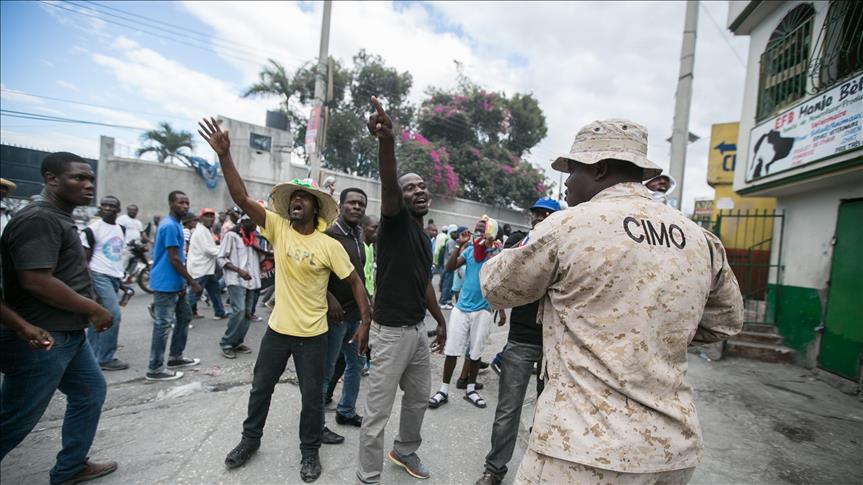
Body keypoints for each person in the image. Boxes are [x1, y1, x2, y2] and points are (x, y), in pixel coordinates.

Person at [479, 119, 744, 484]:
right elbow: (726, 321)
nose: (568, 183)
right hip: (670, 453)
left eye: (572, 171)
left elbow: (496, 287)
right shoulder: (700, 239)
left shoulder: (567, 226)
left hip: (580, 451)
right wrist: (655, 330)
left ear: (600, 168)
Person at [199, 116, 371, 483]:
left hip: (313, 335)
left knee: (312, 398)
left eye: (301, 199)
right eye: (292, 199)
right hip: (277, 331)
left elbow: (355, 282)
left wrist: (366, 324)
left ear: (314, 207)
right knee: (261, 388)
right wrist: (225, 157)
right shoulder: (278, 229)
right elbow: (241, 197)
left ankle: (309, 452)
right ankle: (250, 440)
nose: (295, 203)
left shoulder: (328, 244)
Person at [0, 152, 117, 484]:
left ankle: (70, 467)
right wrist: (93, 308)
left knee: (90, 392)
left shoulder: (58, 217)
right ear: (51, 178)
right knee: (15, 419)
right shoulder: (39, 218)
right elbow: (35, 279)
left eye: (90, 178)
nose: (88, 185)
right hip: (41, 337)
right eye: (78, 178)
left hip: (68, 334)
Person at [351, 97, 447, 484]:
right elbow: (389, 185)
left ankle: (405, 450)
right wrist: (386, 141)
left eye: (422, 186)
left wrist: (439, 320)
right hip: (389, 335)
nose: (418, 191)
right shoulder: (394, 222)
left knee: (419, 398)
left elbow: (423, 282)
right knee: (376, 413)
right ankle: (368, 475)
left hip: (417, 332)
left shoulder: (424, 238)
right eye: (410, 188)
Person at [475, 196, 560, 485]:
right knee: (508, 409)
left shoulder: (567, 246)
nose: (541, 218)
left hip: (554, 341)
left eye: (548, 214)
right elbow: (501, 273)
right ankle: (494, 469)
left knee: (550, 411)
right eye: (537, 213)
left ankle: (541, 471)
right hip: (522, 338)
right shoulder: (520, 242)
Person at [429, 217, 501, 411]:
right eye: (476, 229)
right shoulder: (469, 251)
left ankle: (470, 389)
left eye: (482, 230)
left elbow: (499, 280)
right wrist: (459, 246)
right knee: (452, 350)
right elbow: (449, 267)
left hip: (483, 310)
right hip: (461, 308)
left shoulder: (495, 253)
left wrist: (500, 309)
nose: (477, 233)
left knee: (475, 352)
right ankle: (443, 390)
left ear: (490, 232)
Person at [322, 187, 371, 437]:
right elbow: (315, 273)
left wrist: (367, 310)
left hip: (356, 317)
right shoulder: (329, 235)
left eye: (361, 204)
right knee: (326, 369)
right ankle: (316, 421)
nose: (357, 207)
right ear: (341, 206)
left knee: (356, 364)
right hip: (335, 317)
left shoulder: (357, 234)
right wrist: (329, 298)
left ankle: (346, 411)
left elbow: (359, 275)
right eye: (352, 203)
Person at [145, 191, 203, 381]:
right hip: (165, 282)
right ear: (171, 204)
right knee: (163, 325)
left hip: (175, 283)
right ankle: (155, 368)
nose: (185, 206)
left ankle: (176, 356)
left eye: (187, 202)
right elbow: (174, 259)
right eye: (180, 203)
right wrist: (192, 281)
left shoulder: (176, 224)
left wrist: (183, 282)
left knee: (185, 317)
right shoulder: (170, 226)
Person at [81, 195, 130, 371]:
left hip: (114, 277)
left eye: (112, 206)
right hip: (98, 275)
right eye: (104, 206)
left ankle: (91, 357)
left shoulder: (121, 229)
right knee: (113, 315)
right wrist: (89, 287)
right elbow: (84, 261)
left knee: (98, 317)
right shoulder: (92, 230)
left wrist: (121, 280)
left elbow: (117, 256)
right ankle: (105, 358)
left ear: (118, 210)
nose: (107, 209)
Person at [217, 214, 261, 358]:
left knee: (248, 313)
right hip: (236, 280)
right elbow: (221, 258)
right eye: (252, 222)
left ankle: (237, 342)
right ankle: (226, 342)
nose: (254, 225)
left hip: (252, 281)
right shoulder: (232, 235)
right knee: (239, 310)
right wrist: (239, 270)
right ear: (244, 222)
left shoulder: (255, 237)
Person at [187, 208, 228, 320]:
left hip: (207, 269)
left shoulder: (206, 230)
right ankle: (177, 317)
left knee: (214, 291)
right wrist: (226, 251)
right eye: (207, 216)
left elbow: (212, 248)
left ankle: (220, 312)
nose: (210, 218)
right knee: (194, 294)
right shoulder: (200, 231)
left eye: (211, 216)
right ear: (201, 218)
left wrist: (222, 249)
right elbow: (208, 250)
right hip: (201, 268)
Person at [438, 227, 459, 309]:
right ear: (450, 233)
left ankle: (448, 301)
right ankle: (442, 302)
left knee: (450, 284)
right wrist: (458, 248)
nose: (456, 234)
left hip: (450, 266)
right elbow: (451, 253)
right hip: (448, 266)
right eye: (454, 232)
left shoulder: (453, 241)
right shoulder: (451, 242)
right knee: (447, 285)